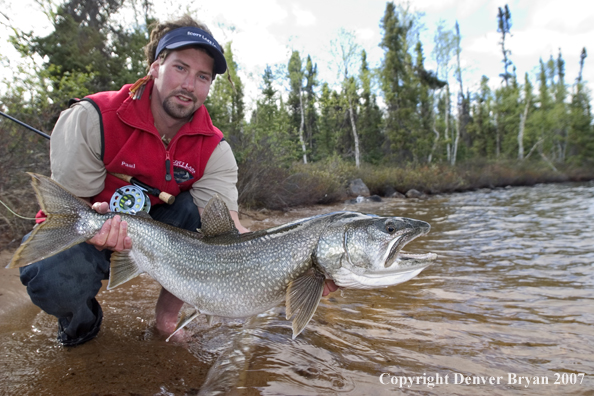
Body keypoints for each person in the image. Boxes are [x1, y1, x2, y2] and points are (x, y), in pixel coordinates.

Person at [20, 15, 338, 347]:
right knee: (49, 278)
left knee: (193, 213)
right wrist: (96, 223)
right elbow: (75, 209)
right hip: (96, 230)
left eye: (203, 76)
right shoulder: (91, 118)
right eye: (180, 68)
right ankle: (81, 325)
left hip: (166, 243)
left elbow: (231, 235)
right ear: (156, 66)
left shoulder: (215, 149)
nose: (189, 84)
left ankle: (166, 319)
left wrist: (301, 272)